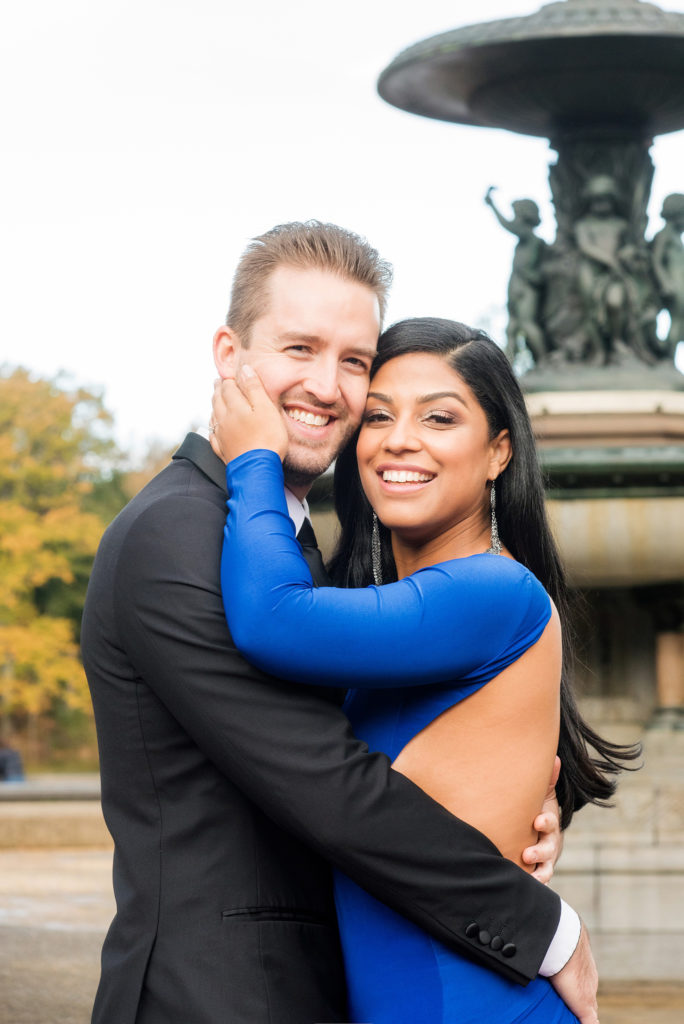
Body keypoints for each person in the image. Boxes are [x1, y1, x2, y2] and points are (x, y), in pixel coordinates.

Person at [82, 222, 596, 1024]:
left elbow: (371, 760)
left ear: (499, 451)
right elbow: (326, 781)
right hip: (221, 996)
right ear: (229, 356)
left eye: (353, 361)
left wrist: (509, 809)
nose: (328, 386)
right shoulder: (179, 531)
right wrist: (543, 925)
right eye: (299, 349)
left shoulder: (285, 547)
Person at [210, 312, 639, 1023]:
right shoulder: (396, 622)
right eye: (377, 416)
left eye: (439, 418)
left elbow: (269, 618)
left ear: (499, 451)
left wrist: (252, 458)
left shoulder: (493, 591)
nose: (399, 439)